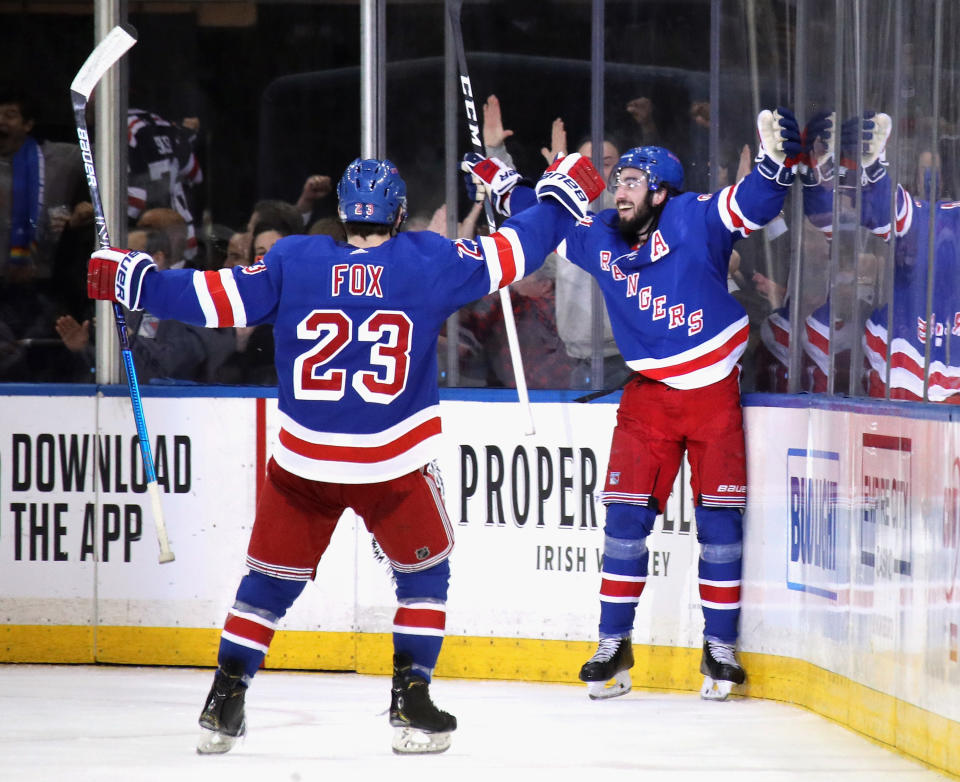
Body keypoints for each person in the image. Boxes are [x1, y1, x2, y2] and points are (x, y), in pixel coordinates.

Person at [86, 155, 605, 753]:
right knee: (425, 574)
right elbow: (515, 250)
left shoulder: (294, 259)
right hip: (391, 463)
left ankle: (224, 701)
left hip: (303, 463)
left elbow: (217, 298)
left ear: (340, 214)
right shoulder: (426, 260)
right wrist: (559, 201)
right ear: (400, 213)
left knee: (266, 583)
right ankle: (411, 703)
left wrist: (138, 281)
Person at [464, 107, 803, 701]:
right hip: (647, 398)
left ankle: (719, 649)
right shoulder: (600, 237)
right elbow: (538, 221)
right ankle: (612, 643)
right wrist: (498, 174)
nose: (618, 190)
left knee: (719, 525)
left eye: (629, 182)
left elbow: (753, 203)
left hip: (712, 396)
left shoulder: (696, 216)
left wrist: (774, 165)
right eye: (616, 180)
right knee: (624, 522)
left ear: (662, 192)